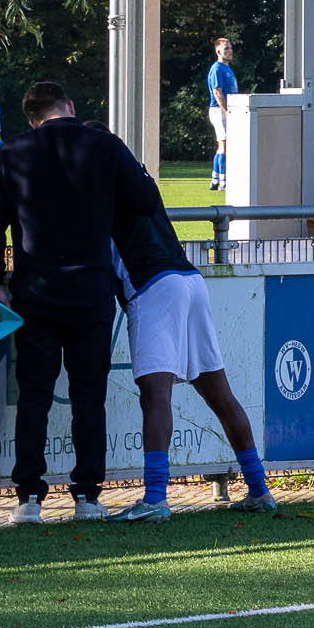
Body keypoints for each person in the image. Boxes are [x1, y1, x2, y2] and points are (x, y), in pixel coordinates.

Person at [0, 80, 159, 526]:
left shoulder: (11, 153)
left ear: (32, 117)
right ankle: (87, 496)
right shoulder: (105, 145)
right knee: (89, 396)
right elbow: (146, 200)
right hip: (92, 289)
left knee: (34, 395)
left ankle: (28, 498)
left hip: (36, 291)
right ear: (71, 105)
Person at [108, 194, 275, 522]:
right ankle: (259, 490)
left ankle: (155, 498)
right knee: (221, 396)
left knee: (156, 396)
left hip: (153, 287)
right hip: (190, 279)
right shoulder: (133, 175)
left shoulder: (94, 181)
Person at [206, 37, 236, 191]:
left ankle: (215, 179)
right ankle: (224, 182)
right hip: (219, 110)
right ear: (218, 51)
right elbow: (217, 92)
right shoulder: (217, 68)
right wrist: (227, 111)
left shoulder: (227, 68)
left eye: (230, 48)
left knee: (222, 145)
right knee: (225, 145)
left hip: (223, 111)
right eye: (226, 49)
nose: (230, 51)